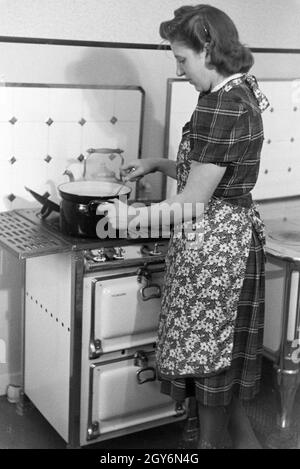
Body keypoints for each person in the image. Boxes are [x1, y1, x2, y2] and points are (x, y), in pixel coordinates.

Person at [98, 4, 268, 449]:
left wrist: (123, 220)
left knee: (211, 372)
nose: (179, 69)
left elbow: (191, 202)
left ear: (208, 49)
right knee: (217, 373)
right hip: (221, 241)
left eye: (181, 59)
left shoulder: (224, 107)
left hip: (217, 254)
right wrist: (156, 163)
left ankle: (206, 447)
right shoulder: (232, 91)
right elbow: (210, 175)